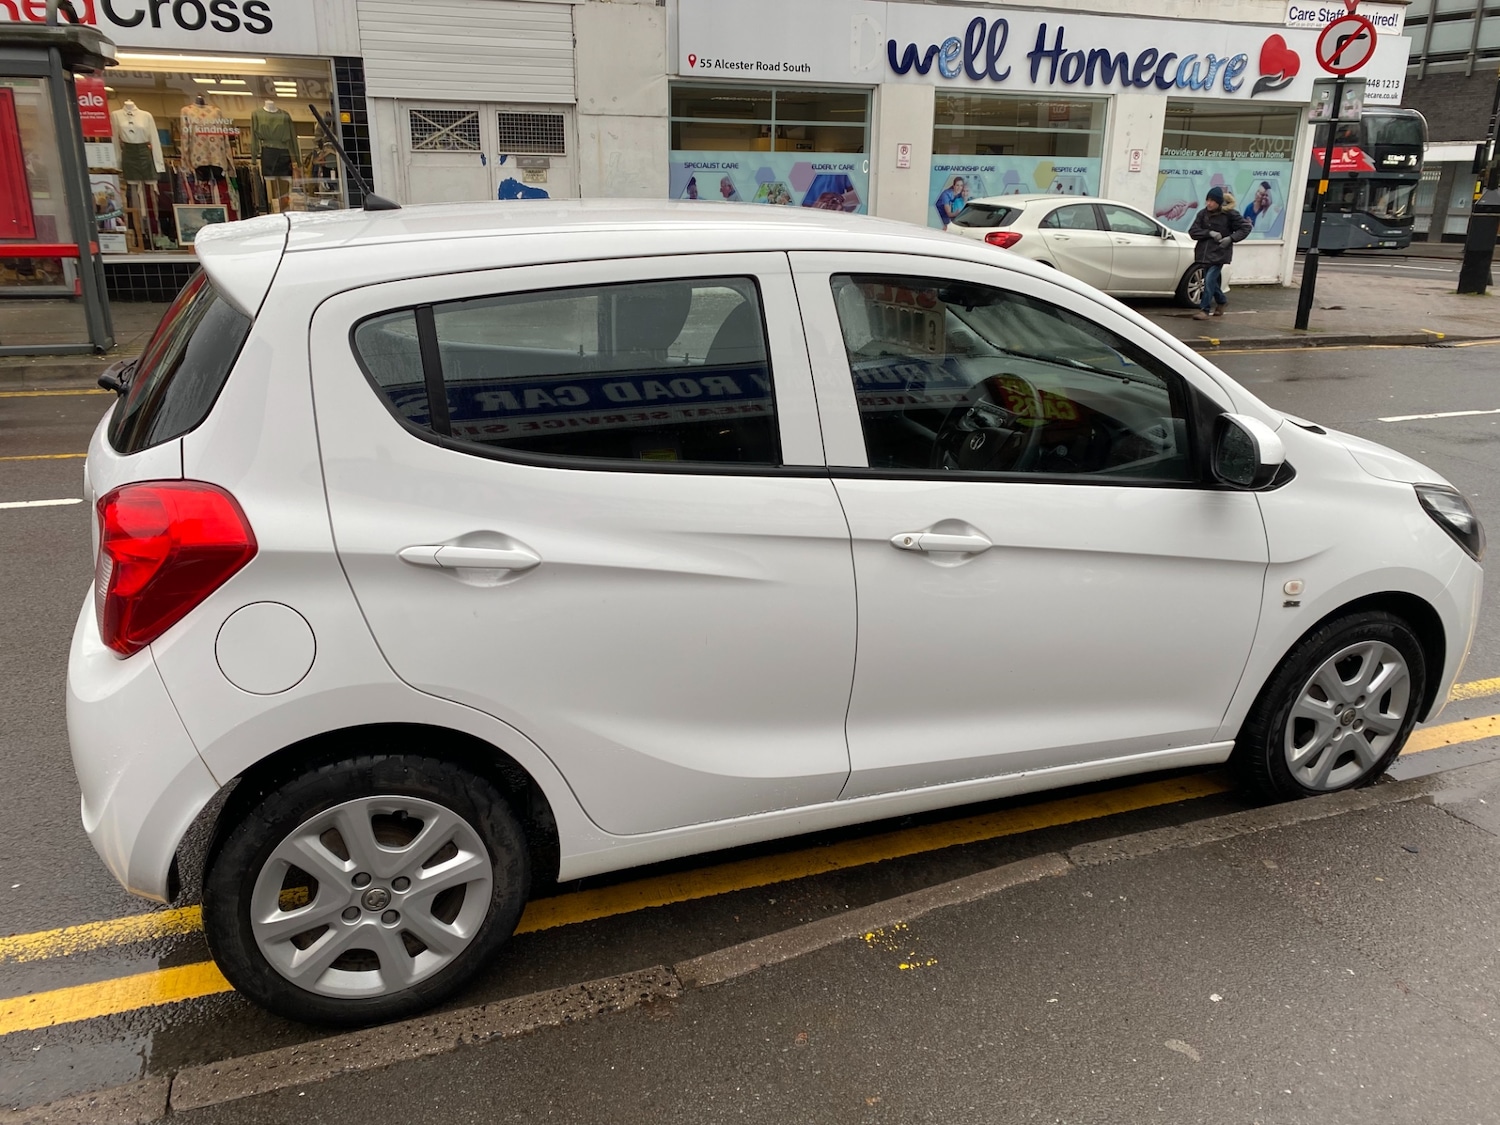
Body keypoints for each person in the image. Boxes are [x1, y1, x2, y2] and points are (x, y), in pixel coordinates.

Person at [1188, 185, 1250, 320]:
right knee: (1211, 283)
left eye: (1212, 201)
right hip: (1203, 254)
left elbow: (1246, 228)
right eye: (1208, 200)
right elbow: (1193, 232)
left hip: (1219, 253)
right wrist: (1209, 233)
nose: (1209, 203)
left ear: (1219, 202)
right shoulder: (1202, 214)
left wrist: (1230, 238)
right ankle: (1222, 301)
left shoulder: (1230, 215)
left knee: (1209, 280)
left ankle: (1204, 310)